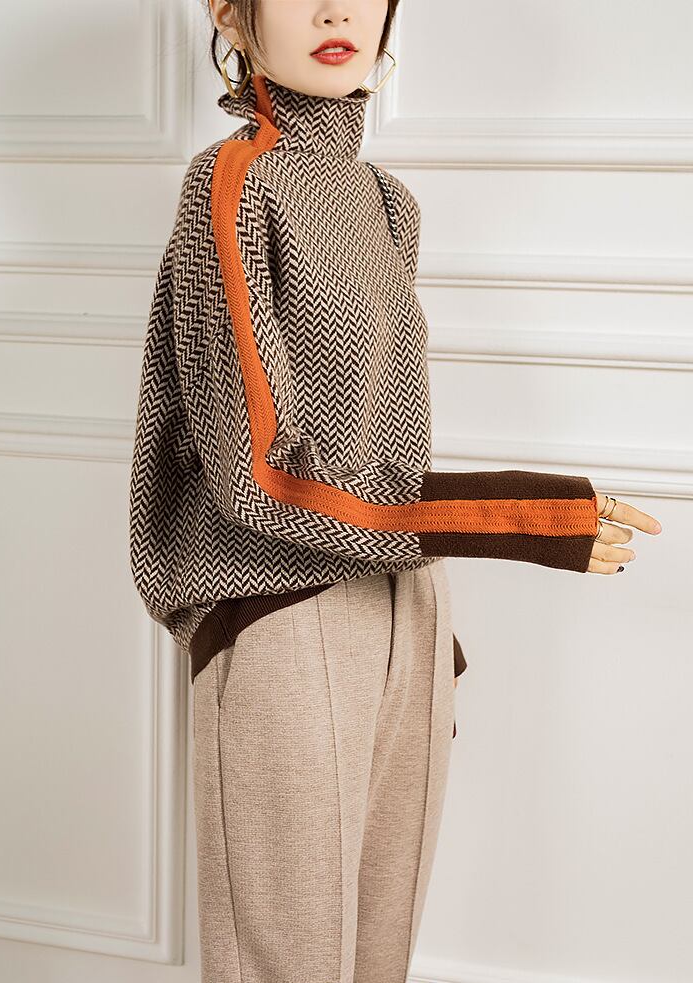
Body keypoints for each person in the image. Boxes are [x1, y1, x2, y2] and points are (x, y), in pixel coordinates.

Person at [128, 1, 664, 980]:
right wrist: (518, 516)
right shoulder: (232, 182)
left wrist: (423, 627)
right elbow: (259, 471)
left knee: (380, 965)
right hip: (281, 613)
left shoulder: (386, 202)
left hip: (405, 604)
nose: (335, 9)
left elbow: (379, 434)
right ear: (230, 15)